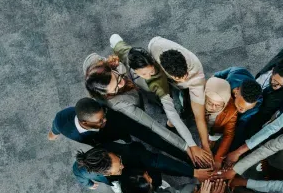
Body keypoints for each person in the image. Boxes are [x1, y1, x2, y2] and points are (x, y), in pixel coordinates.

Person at [109, 34, 212, 165]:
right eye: (144, 74)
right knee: (117, 42)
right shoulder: (151, 48)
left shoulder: (159, 83)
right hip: (131, 72)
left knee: (164, 102)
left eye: (151, 72)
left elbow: (176, 114)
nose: (148, 76)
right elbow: (117, 41)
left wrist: (195, 145)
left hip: (154, 89)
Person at [82, 52, 200, 165]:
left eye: (117, 77)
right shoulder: (118, 104)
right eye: (115, 87)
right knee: (149, 133)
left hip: (132, 89)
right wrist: (185, 146)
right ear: (106, 94)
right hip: (128, 109)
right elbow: (153, 125)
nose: (122, 83)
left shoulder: (94, 61)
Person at [147, 36, 213, 165]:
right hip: (163, 79)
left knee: (194, 107)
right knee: (171, 106)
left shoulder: (196, 75)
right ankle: (170, 121)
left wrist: (205, 146)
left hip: (193, 83)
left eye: (185, 76)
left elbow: (199, 117)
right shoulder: (154, 48)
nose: (183, 80)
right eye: (178, 78)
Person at [231, 45, 283, 149]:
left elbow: (261, 115)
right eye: (276, 81)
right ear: (273, 70)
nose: (278, 87)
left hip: (255, 114)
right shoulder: (281, 58)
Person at [72, 143, 212, 192]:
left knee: (152, 176)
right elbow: (81, 178)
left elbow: (158, 161)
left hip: (137, 162)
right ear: (107, 174)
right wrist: (89, 184)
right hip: (116, 180)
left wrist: (192, 172)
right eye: (119, 168)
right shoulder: (80, 169)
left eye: (119, 160)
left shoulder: (130, 153)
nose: (122, 165)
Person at [48, 98, 131, 145]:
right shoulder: (62, 124)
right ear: (85, 122)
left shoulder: (98, 107)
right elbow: (56, 127)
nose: (105, 119)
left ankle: (125, 137)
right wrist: (53, 134)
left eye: (103, 116)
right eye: (100, 120)